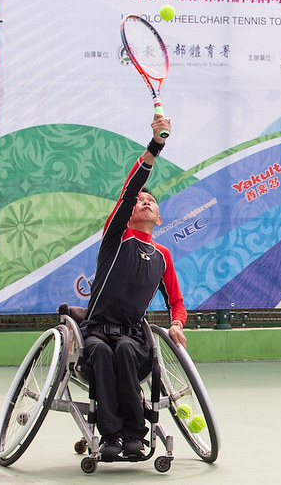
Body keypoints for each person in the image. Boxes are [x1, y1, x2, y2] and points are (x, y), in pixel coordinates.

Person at [79, 113, 187, 461]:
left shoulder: (162, 255)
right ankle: (110, 437)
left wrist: (177, 324)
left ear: (159, 217)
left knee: (125, 350)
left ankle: (133, 435)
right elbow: (128, 191)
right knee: (101, 352)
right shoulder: (117, 237)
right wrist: (156, 146)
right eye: (140, 199)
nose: (144, 201)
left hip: (132, 338)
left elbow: (177, 302)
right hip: (95, 332)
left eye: (151, 201)